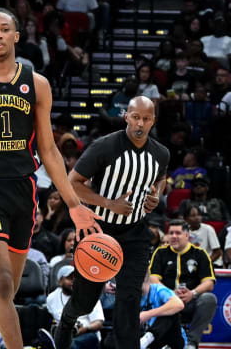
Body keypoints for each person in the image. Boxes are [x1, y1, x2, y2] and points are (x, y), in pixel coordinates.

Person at [0, 7, 101, 349]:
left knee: (6, 290)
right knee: (2, 278)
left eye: (4, 29)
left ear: (16, 36)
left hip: (24, 190)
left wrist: (73, 204)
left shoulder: (36, 83)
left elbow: (50, 150)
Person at [55, 96, 170, 349]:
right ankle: (66, 322)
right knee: (85, 301)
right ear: (126, 116)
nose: (140, 123)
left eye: (146, 118)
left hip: (135, 232)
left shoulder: (161, 153)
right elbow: (72, 182)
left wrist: (155, 194)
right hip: (98, 231)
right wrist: (109, 203)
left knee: (129, 298)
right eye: (136, 117)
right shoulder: (104, 146)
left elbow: (161, 178)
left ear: (153, 121)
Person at [149, 219, 217, 349]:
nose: (173, 236)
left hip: (190, 301)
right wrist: (169, 294)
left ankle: (191, 342)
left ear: (187, 235)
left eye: (178, 233)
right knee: (153, 295)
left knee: (209, 299)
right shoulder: (160, 253)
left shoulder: (200, 254)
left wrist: (192, 293)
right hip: (167, 301)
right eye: (171, 233)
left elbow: (209, 282)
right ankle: (162, 341)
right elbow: (153, 280)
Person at [47, 265, 104, 349]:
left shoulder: (89, 296)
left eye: (75, 278)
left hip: (88, 334)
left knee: (70, 346)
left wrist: (85, 328)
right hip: (65, 333)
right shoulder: (51, 298)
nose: (73, 281)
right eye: (69, 278)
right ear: (60, 281)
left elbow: (99, 323)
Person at [139, 270, 185, 349]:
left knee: (171, 312)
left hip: (167, 336)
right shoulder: (129, 293)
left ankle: (148, 338)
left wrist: (148, 314)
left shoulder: (159, 289)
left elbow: (179, 304)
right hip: (141, 335)